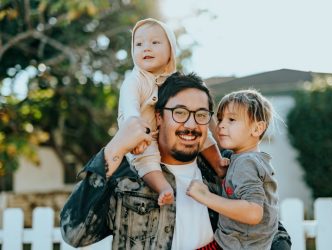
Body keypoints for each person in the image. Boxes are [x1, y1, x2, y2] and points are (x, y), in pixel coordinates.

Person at [60, 72, 291, 249]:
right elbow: (74, 233)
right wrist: (115, 147)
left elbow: (272, 227)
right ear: (159, 117)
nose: (191, 125)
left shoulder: (225, 167)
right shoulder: (126, 175)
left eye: (201, 115)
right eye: (179, 112)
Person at [118, 18, 227, 206]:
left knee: (202, 130)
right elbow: (131, 111)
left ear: (171, 51)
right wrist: (137, 137)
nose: (146, 48)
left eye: (155, 42)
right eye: (139, 44)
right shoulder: (134, 81)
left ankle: (218, 163)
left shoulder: (174, 81)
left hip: (165, 131)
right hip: (140, 134)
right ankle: (163, 187)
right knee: (146, 159)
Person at [187, 89, 279, 249]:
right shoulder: (248, 160)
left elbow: (253, 212)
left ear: (257, 129)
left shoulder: (246, 163)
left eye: (231, 120)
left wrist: (205, 196)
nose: (221, 125)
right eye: (220, 119)